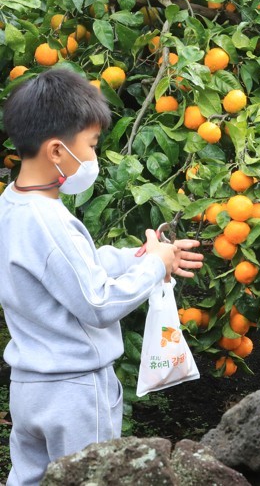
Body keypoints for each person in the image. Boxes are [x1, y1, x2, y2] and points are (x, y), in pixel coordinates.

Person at [0, 67, 204, 485]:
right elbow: (97, 303)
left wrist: (139, 258)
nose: (93, 157)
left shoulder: (13, 205)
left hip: (30, 386)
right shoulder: (49, 220)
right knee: (90, 479)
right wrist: (153, 268)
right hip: (74, 390)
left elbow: (70, 270)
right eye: (91, 146)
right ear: (57, 151)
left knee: (29, 479)